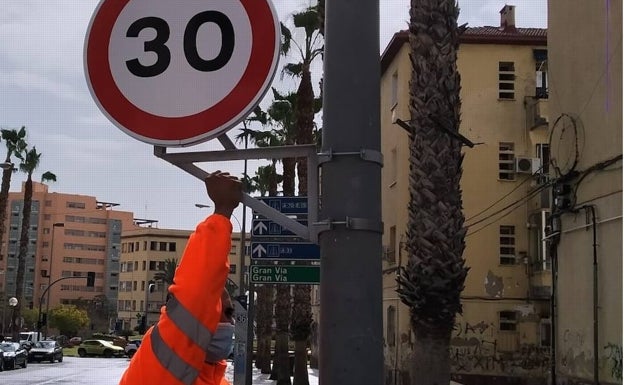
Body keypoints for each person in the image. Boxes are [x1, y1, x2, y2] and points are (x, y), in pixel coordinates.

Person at [119, 171, 242, 385]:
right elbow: (198, 290)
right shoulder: (169, 353)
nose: (231, 322)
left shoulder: (213, 377)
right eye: (224, 313)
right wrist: (222, 212)